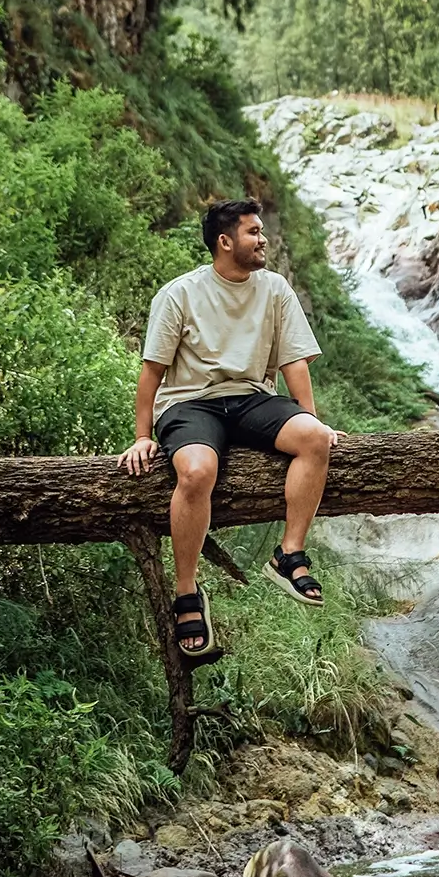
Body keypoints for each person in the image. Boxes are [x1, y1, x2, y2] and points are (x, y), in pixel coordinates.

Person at [116, 198, 342, 662]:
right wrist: (142, 436)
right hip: (190, 403)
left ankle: (289, 555)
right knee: (197, 471)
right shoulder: (180, 294)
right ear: (225, 242)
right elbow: (152, 371)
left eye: (261, 232)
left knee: (314, 439)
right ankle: (187, 593)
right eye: (253, 232)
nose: (262, 240)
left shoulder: (274, 289)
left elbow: (293, 360)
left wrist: (311, 418)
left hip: (252, 399)